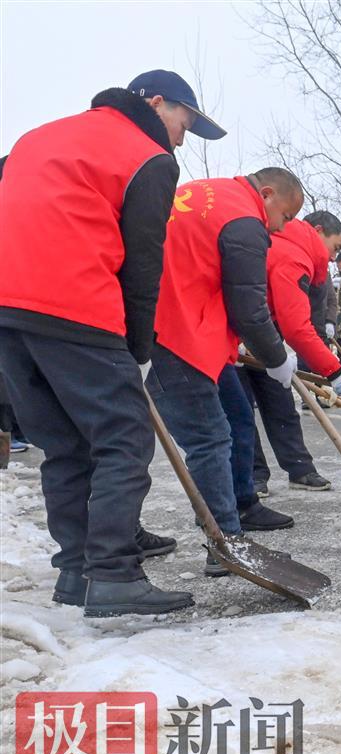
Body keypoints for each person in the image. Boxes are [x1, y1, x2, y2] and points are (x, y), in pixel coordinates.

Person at [0, 69, 225, 615]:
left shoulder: (36, 137)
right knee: (123, 439)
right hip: (76, 307)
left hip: (7, 313)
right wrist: (139, 350)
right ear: (156, 103)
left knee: (64, 446)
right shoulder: (148, 157)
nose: (181, 140)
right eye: (184, 124)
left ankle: (76, 573)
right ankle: (113, 576)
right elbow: (144, 262)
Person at [149, 167, 304, 576]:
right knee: (209, 438)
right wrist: (276, 358)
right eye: (286, 216)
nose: (280, 227)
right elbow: (249, 308)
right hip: (173, 335)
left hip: (197, 331)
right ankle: (225, 543)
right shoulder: (244, 219)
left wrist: (234, 342)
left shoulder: (208, 193)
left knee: (237, 415)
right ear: (267, 194)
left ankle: (242, 505)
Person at [244, 209, 341, 495]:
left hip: (266, 338)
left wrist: (322, 349)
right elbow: (296, 327)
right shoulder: (290, 253)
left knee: (281, 405)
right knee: (240, 412)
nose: (334, 257)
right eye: (335, 247)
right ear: (318, 231)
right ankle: (253, 476)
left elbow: (305, 318)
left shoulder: (308, 259)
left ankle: (300, 469)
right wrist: (336, 371)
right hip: (236, 337)